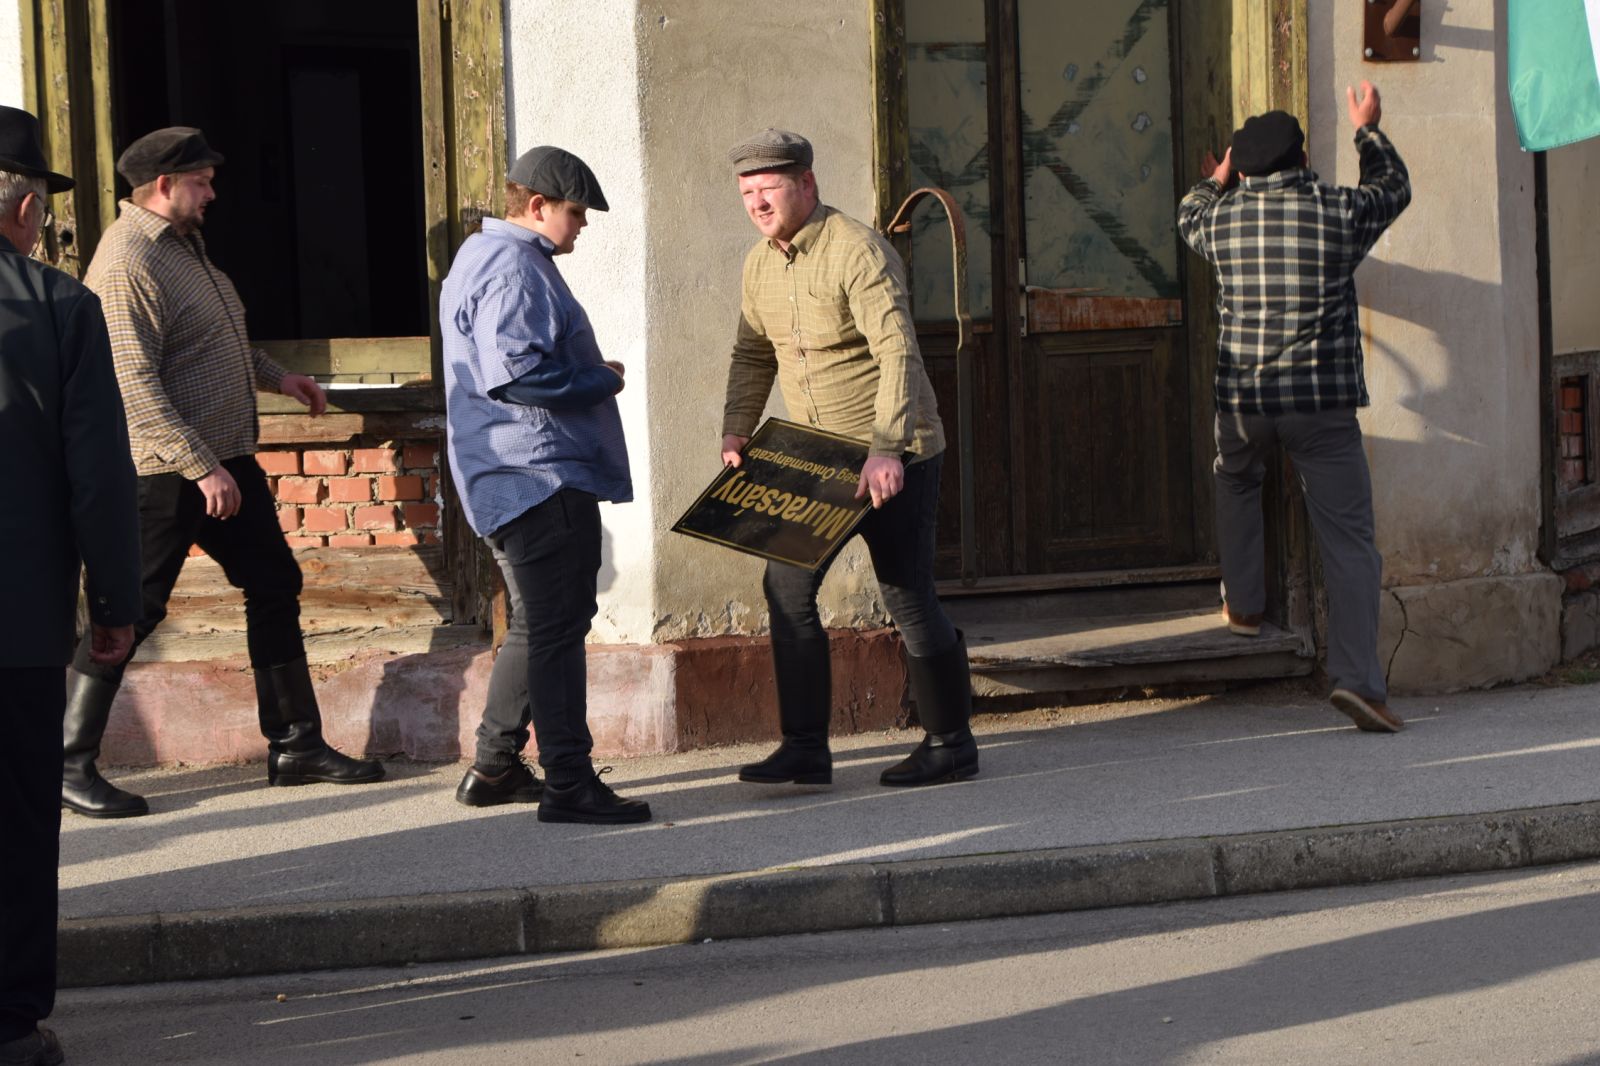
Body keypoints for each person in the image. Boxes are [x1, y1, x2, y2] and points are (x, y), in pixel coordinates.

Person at [60, 126, 384, 819]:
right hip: (163, 469)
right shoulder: (126, 263)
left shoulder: (184, 246)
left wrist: (278, 377)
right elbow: (131, 384)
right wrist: (200, 466)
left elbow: (213, 346)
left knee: (273, 582)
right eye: (202, 181)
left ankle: (295, 746)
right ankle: (66, 761)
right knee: (128, 611)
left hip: (222, 459)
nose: (212, 193)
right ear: (164, 185)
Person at [721, 128, 978, 787]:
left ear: (806, 184)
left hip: (893, 454)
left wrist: (886, 449)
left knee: (905, 592)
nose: (757, 203)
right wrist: (736, 431)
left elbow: (898, 352)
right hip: (815, 458)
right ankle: (805, 747)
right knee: (786, 586)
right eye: (747, 193)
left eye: (769, 188)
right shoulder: (758, 264)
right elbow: (753, 353)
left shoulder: (858, 249)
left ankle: (951, 743)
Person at [1177, 81, 1411, 733]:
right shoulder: (1338, 213)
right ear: (1303, 160)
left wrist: (1217, 178)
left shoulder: (1221, 220)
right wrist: (1366, 127)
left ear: (1242, 169)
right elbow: (1393, 188)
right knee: (1349, 542)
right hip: (1319, 404)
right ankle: (1360, 684)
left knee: (1235, 477)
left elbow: (1189, 213)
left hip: (1244, 402)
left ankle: (1245, 605)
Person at [441, 145, 649, 825]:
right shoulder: (514, 267)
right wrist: (601, 379)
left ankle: (495, 766)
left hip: (510, 476)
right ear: (537, 206)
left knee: (539, 624)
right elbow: (518, 376)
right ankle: (569, 782)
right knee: (557, 631)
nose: (582, 225)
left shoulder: (481, 256)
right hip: (537, 476)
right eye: (576, 212)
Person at [0, 104, 140, 1066]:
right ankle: (9, 1021)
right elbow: (99, 474)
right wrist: (116, 605)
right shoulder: (59, 306)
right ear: (23, 209)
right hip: (16, 619)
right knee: (15, 817)